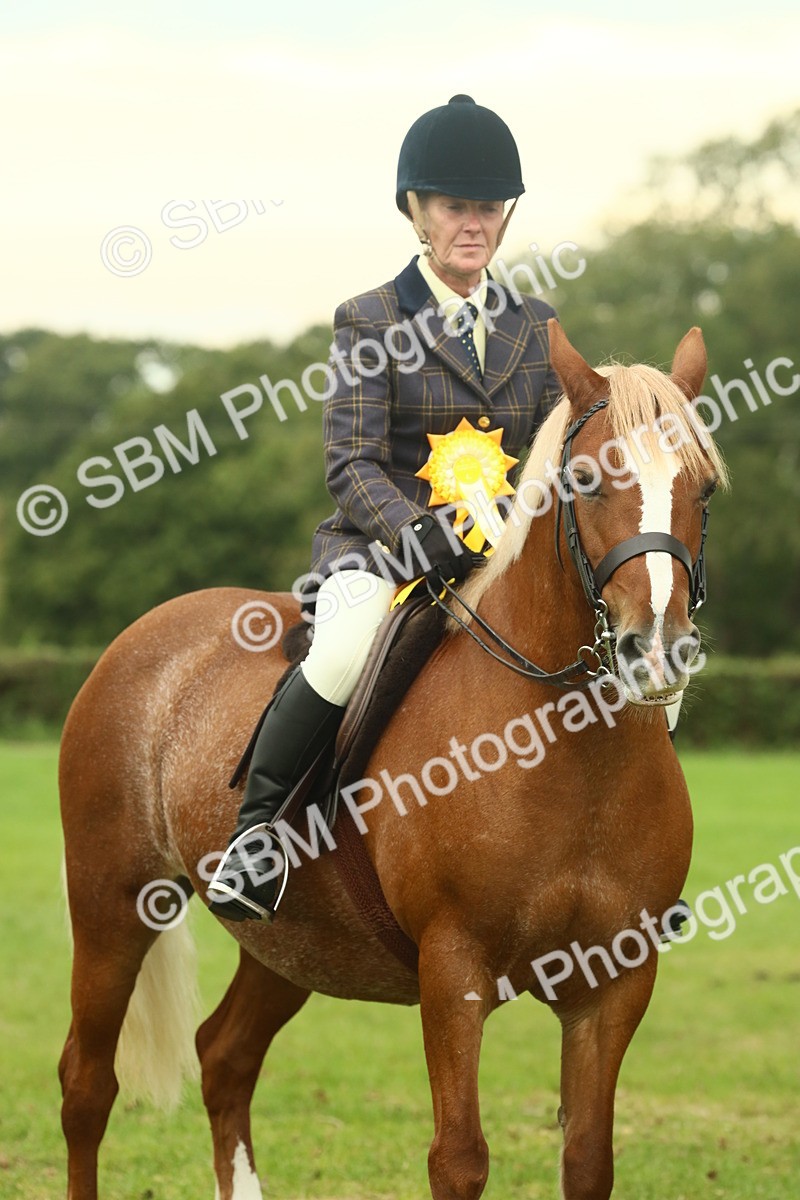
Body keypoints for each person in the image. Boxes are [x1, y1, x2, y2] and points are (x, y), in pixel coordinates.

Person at [207, 95, 562, 922]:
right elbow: (352, 463)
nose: (472, 224)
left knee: (614, 645)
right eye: (453, 206)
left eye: (486, 208)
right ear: (416, 211)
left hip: (504, 556)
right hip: (387, 554)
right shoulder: (371, 318)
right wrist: (418, 533)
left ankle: (631, 869)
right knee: (339, 652)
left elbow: (553, 456)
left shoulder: (535, 325)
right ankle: (255, 839)